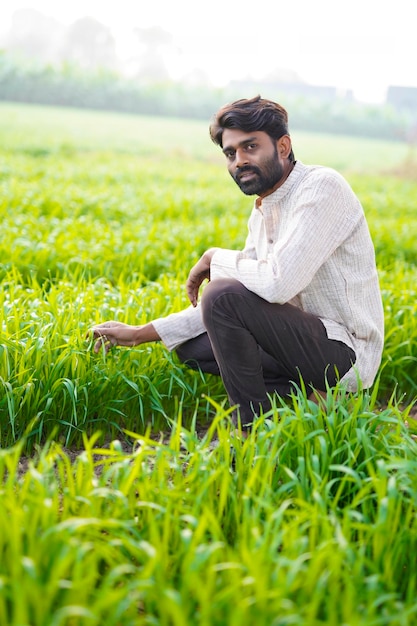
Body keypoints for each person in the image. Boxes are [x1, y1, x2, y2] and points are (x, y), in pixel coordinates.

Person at [90, 95, 384, 430]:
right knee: (194, 346)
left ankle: (251, 433)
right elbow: (241, 295)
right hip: (298, 343)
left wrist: (215, 258)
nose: (239, 161)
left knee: (221, 296)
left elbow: (276, 283)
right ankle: (299, 408)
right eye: (231, 153)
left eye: (250, 147)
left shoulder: (321, 188)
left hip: (345, 354)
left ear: (283, 146)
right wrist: (139, 334)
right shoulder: (264, 209)